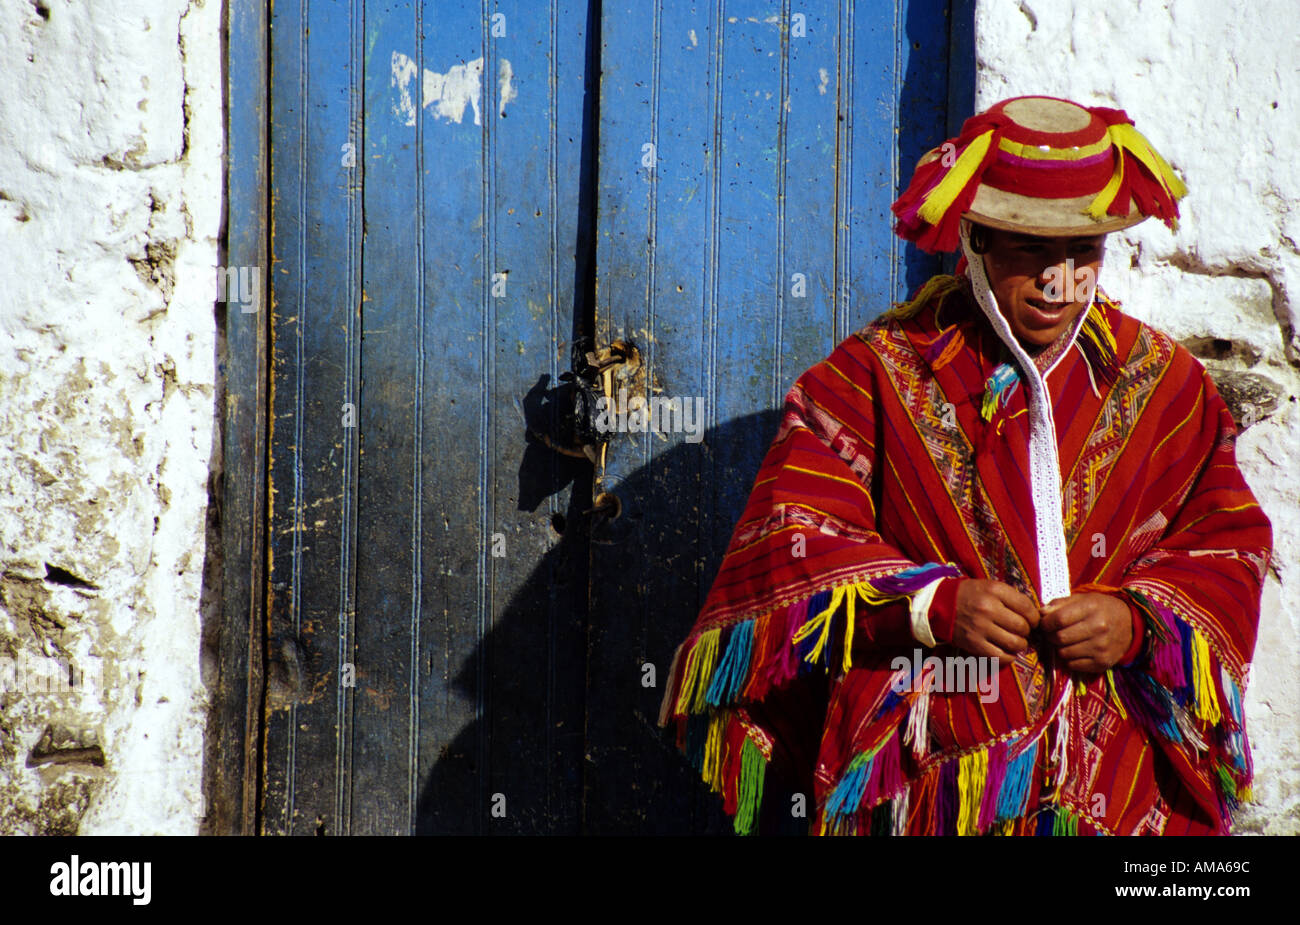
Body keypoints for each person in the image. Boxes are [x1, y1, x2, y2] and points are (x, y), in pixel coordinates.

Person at [657, 95, 1272, 836]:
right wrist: (929, 607)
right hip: (935, 779)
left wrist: (1134, 622)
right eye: (1029, 250)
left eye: (1083, 254)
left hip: (1122, 783)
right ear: (975, 239)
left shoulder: (1165, 384)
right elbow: (792, 541)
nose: (1059, 281)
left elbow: (1226, 541)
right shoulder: (874, 378)